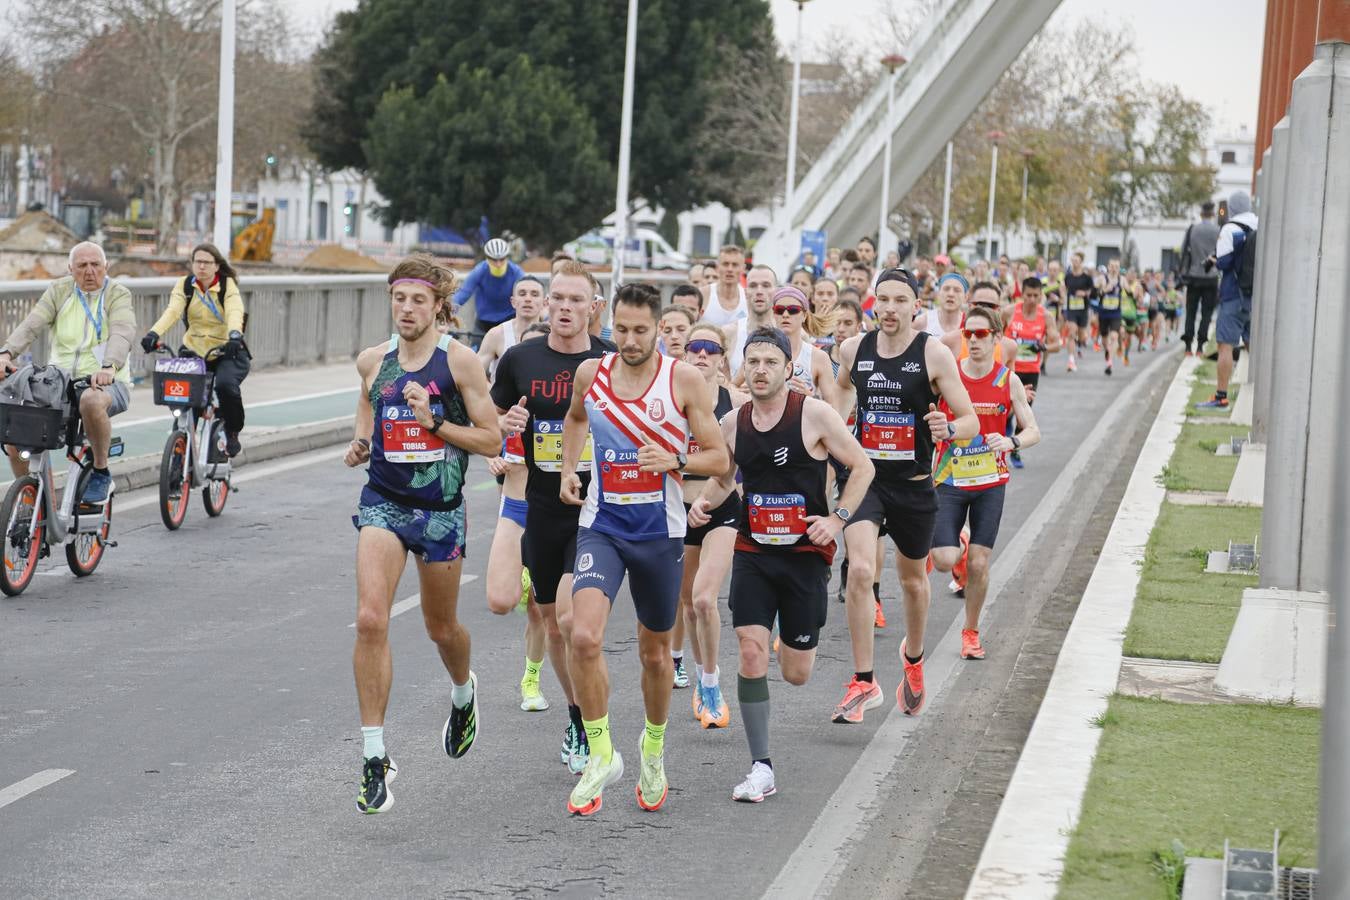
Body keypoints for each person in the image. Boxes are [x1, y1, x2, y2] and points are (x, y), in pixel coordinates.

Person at [560, 283, 727, 816]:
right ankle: (601, 752)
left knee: (654, 654)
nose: (629, 341)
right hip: (603, 526)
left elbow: (719, 458)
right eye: (622, 330)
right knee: (583, 635)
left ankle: (652, 749)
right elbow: (576, 419)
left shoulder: (683, 380)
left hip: (659, 533)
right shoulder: (591, 374)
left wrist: (676, 460)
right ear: (610, 324)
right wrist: (569, 468)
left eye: (640, 331)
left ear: (659, 329)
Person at [689, 326, 874, 802]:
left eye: (771, 362)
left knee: (796, 672)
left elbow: (863, 467)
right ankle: (761, 767)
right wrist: (704, 504)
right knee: (750, 650)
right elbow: (725, 477)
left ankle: (789, 636)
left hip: (805, 556)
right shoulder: (734, 422)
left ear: (789, 369)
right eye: (753, 361)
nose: (761, 370)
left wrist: (837, 519)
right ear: (742, 368)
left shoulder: (813, 414)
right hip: (753, 551)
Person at [345, 256, 502, 814]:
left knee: (442, 628)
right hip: (383, 503)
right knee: (371, 619)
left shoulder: (458, 362)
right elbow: (367, 408)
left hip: (440, 511)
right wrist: (361, 442)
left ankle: (463, 690)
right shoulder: (373, 361)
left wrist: (434, 423)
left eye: (418, 300)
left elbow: (491, 440)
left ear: (438, 305)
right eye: (399, 299)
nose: (407, 309)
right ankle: (374, 756)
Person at [831, 269, 977, 723]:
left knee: (913, 581)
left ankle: (913, 660)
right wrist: (835, 431)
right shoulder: (854, 349)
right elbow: (841, 391)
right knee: (860, 569)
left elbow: (970, 420)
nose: (890, 308)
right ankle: (864, 680)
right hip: (866, 480)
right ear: (873, 303)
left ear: (916, 306)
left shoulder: (933, 353)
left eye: (900, 300)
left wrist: (948, 428)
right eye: (883, 299)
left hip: (913, 486)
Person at [491, 261, 614, 774]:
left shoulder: (610, 360)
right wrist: (505, 425)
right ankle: (578, 715)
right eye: (557, 298)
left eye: (575, 299)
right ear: (546, 303)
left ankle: (595, 726)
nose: (565, 307)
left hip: (595, 511)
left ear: (594, 307)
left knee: (569, 618)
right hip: (541, 509)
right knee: (553, 627)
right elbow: (490, 420)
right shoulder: (520, 359)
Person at [930, 306, 1040, 659]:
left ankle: (971, 632)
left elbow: (1033, 429)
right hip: (949, 479)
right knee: (944, 560)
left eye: (981, 334)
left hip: (990, 482)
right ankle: (958, 545)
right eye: (968, 334)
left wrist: (1011, 441)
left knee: (979, 563)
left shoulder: (1008, 381)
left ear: (997, 337)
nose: (974, 341)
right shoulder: (948, 376)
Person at [0, 241, 135, 503]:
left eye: (95, 265)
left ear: (106, 266)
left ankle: (101, 472)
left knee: (91, 400)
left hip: (105, 381)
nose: (89, 271)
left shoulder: (118, 294)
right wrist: (5, 353)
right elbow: (31, 325)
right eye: (82, 265)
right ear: (70, 269)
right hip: (58, 383)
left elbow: (122, 331)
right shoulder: (59, 290)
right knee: (14, 432)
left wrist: (109, 366)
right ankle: (32, 502)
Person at [676, 322, 748, 728]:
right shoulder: (668, 398)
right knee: (688, 604)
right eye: (695, 347)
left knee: (705, 599)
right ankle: (700, 673)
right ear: (685, 353)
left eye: (711, 349)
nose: (702, 355)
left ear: (722, 358)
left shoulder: (735, 402)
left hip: (722, 508)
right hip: (677, 509)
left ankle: (711, 682)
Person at [483, 322, 553, 713]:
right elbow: (484, 434)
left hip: (550, 512)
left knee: (542, 610)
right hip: (513, 506)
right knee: (500, 601)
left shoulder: (563, 407)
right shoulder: (510, 405)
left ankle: (531, 679)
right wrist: (493, 455)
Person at [140, 243, 248, 457]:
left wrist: (235, 334)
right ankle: (180, 448)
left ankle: (232, 430)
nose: (202, 267)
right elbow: (173, 311)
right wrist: (153, 333)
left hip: (225, 349)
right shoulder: (185, 285)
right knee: (186, 398)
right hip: (194, 350)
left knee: (226, 386)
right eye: (198, 262)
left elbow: (235, 311)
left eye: (207, 262)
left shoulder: (226, 286)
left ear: (217, 266)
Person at [1198, 190, 1258, 409]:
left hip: (1234, 295)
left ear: (1231, 208)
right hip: (1256, 297)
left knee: (1225, 346)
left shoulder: (1230, 229)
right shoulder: (1260, 224)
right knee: (1254, 345)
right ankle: (1261, 394)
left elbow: (1224, 263)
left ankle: (1221, 396)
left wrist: (1213, 259)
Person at [452, 237, 523, 339]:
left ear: (507, 257)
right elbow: (464, 293)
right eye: (494, 260)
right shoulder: (480, 270)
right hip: (484, 323)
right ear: (487, 258)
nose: (498, 264)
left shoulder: (516, 272)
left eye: (502, 259)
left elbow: (525, 291)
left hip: (509, 321)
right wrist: (451, 308)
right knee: (475, 348)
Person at [477, 275, 545, 378]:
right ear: (513, 302)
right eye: (522, 294)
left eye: (534, 294)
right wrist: (489, 387)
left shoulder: (552, 335)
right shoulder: (496, 334)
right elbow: (473, 373)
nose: (528, 299)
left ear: (544, 302)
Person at [1179, 201, 1221, 357]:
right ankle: (1200, 347)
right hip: (1211, 276)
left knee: (1190, 311)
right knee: (1207, 313)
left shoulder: (1192, 230)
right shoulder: (1218, 231)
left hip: (1194, 276)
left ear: (1201, 214)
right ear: (1213, 214)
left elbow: (1183, 251)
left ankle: (1188, 346)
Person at [725, 264, 778, 381]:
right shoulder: (728, 333)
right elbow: (720, 384)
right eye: (753, 286)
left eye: (766, 285)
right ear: (745, 292)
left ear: (776, 291)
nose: (759, 291)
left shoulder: (791, 333)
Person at [1062, 252, 1094, 372]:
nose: (1074, 263)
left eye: (1077, 261)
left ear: (1081, 262)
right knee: (1071, 333)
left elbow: (1092, 291)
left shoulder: (1086, 278)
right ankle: (1071, 360)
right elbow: (1064, 288)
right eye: (1073, 260)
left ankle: (1080, 344)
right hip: (1071, 308)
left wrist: (1084, 293)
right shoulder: (1068, 276)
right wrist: (1063, 296)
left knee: (1081, 335)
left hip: (1083, 309)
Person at [702, 245, 749, 327]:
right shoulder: (703, 294)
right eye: (725, 264)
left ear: (743, 269)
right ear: (717, 268)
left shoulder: (749, 298)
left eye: (735, 265)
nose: (730, 269)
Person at [914, 272, 967, 339]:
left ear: (965, 297)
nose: (951, 294)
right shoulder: (922, 321)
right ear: (938, 294)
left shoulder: (970, 324)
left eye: (957, 290)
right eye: (946, 289)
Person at [1096, 259, 1125, 375]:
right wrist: (1104, 290)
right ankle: (1107, 350)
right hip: (1103, 313)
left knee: (1114, 336)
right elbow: (1094, 292)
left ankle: (1109, 362)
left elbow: (1130, 292)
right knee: (1104, 338)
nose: (1114, 269)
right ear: (1108, 267)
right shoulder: (1102, 279)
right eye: (1112, 266)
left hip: (1115, 313)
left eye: (1116, 267)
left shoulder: (1122, 280)